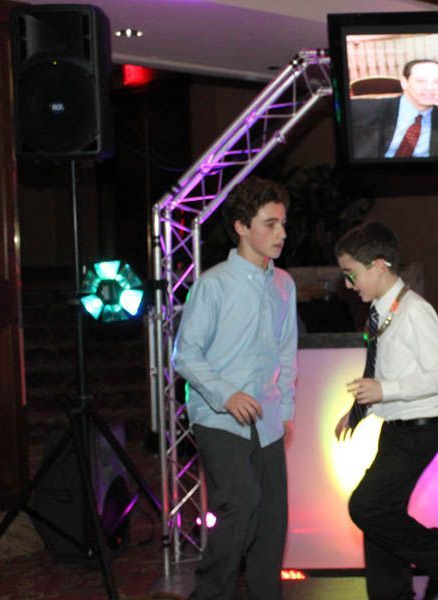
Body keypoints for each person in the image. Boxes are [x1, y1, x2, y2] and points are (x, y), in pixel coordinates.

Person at [172, 176, 296, 600]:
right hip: (219, 418)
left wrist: (287, 409)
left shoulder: (284, 284)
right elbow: (184, 355)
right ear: (242, 227)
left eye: (282, 223)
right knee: (241, 505)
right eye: (270, 223)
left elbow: (286, 352)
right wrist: (226, 394)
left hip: (269, 421)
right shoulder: (214, 284)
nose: (281, 233)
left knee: (271, 524)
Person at [334, 222, 438, 600]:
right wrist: (358, 411)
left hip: (420, 429)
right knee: (381, 516)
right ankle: (391, 595)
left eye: (352, 275)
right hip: (397, 427)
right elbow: (380, 369)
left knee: (366, 506)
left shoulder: (414, 311)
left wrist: (384, 390)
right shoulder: (379, 311)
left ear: (377, 265)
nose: (349, 284)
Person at [351, 59, 438, 159]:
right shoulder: (363, 109)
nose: (429, 88)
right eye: (420, 81)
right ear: (404, 83)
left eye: (437, 82)